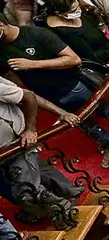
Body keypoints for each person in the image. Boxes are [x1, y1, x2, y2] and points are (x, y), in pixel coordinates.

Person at [0, 16, 109, 168]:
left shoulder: (36, 34)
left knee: (105, 109)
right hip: (49, 96)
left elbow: (73, 59)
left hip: (74, 84)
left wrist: (33, 64)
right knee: (83, 123)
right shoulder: (1, 52)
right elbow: (17, 86)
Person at [0, 77, 80, 230]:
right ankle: (52, 202)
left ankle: (63, 212)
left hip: (15, 144)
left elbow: (28, 96)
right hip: (4, 155)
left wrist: (30, 130)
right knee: (17, 184)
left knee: (25, 191)